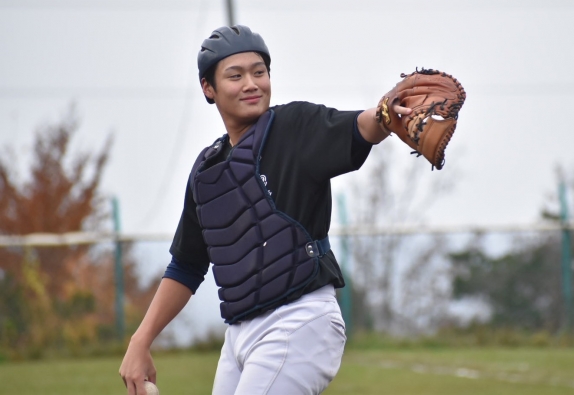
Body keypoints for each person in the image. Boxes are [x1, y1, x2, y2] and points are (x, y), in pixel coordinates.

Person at [119, 25, 411, 395]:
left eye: (259, 72)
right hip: (238, 336)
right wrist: (140, 340)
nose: (251, 84)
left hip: (300, 320)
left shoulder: (294, 128)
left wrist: (385, 116)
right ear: (208, 88)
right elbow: (186, 265)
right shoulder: (207, 171)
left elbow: (358, 127)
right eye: (235, 75)